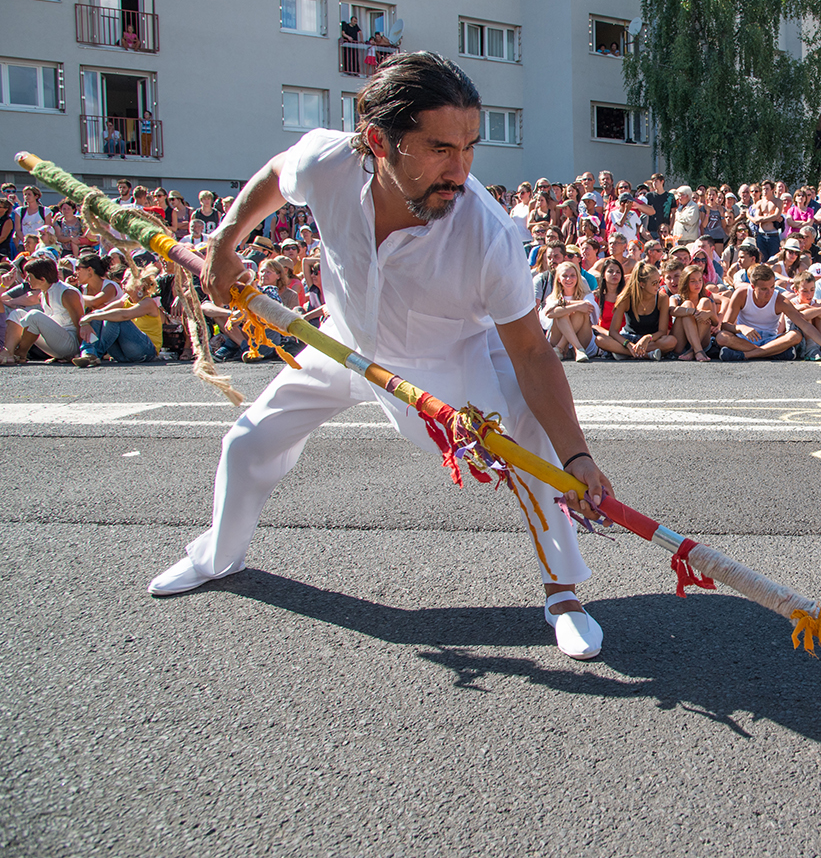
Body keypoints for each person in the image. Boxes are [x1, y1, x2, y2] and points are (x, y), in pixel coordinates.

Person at [145, 52, 612, 661]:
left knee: (531, 443)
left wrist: (577, 456)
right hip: (341, 344)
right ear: (378, 142)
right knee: (248, 443)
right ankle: (217, 556)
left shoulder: (488, 233)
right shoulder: (327, 163)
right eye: (440, 148)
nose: (460, 170)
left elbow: (529, 351)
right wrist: (223, 241)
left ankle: (563, 594)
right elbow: (277, 173)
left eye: (469, 148)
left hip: (446, 362)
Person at [716, 263, 821, 361]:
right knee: (721, 337)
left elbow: (803, 324)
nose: (769, 292)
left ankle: (748, 355)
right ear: (752, 287)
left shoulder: (780, 299)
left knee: (795, 335)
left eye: (772, 287)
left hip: (771, 339)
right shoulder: (741, 294)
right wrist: (741, 328)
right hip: (745, 339)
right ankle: (772, 352)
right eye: (764, 289)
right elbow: (725, 326)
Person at [2, 257, 85, 364]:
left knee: (34, 316)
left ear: (42, 279)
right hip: (57, 345)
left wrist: (83, 352)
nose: (26, 279)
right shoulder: (43, 293)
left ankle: (20, 354)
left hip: (72, 346)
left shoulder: (67, 293)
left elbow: (80, 324)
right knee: (17, 314)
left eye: (29, 276)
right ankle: (8, 353)